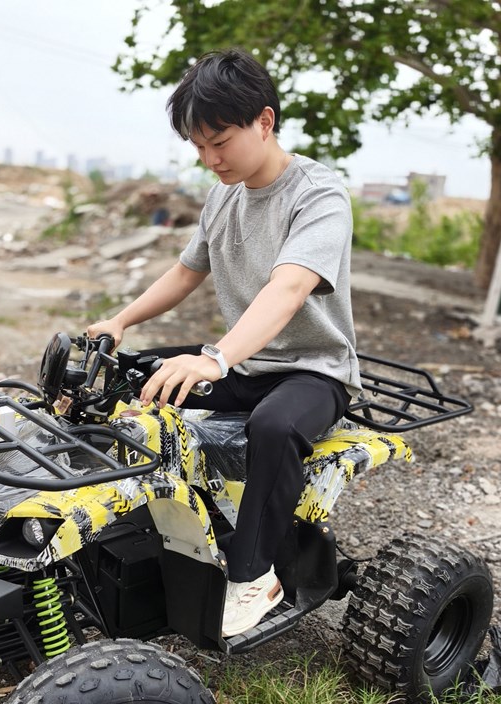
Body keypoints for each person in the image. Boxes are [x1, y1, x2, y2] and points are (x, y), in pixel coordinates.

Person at [87, 48, 361, 638]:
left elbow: (288, 288)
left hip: (313, 371)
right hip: (243, 360)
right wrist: (122, 320)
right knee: (135, 384)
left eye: (221, 141)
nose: (210, 160)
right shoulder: (223, 196)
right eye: (198, 147)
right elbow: (187, 272)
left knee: (273, 426)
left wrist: (216, 357)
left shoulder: (318, 195)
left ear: (264, 121)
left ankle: (255, 573)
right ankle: (124, 534)